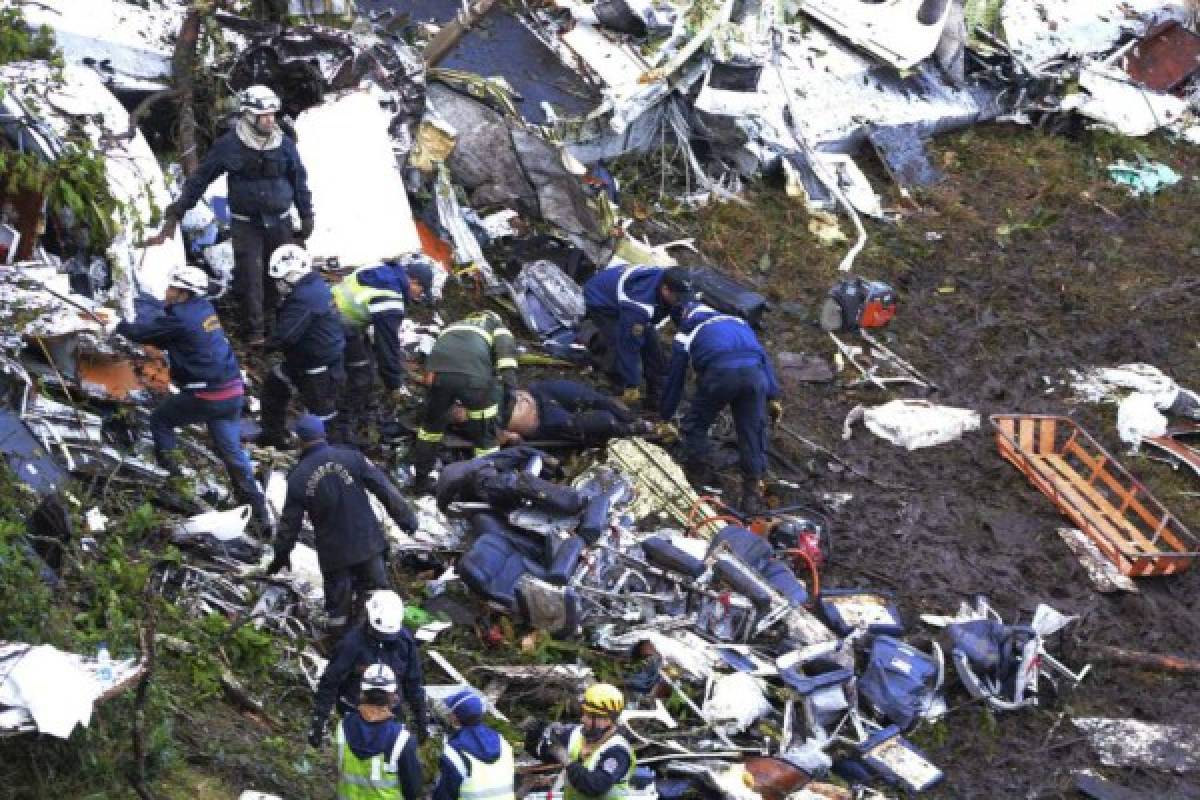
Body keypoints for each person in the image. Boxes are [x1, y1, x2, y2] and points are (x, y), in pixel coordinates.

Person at [144, 85, 313, 344]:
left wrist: (306, 214)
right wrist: (179, 210)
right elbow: (201, 178)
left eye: (272, 114)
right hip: (247, 224)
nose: (269, 120)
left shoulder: (285, 145)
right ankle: (255, 332)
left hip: (280, 221)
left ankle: (276, 325)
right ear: (248, 115)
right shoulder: (230, 145)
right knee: (250, 275)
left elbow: (299, 180)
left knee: (280, 273)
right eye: (263, 115)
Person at [114, 265, 269, 529]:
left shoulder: (180, 319)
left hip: (207, 394)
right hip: (232, 392)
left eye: (171, 287)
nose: (167, 291)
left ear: (181, 292)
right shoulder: (205, 310)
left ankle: (174, 481)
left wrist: (115, 324)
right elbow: (171, 337)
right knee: (232, 453)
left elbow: (142, 333)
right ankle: (259, 513)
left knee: (161, 421)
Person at [266, 415, 417, 633]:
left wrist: (281, 556)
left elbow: (290, 525)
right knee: (379, 598)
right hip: (367, 543)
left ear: (299, 440)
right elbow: (383, 488)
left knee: (338, 614)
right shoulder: (352, 458)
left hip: (334, 555)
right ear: (323, 434)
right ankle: (379, 643)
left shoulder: (298, 478)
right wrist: (406, 518)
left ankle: (340, 648)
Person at [659, 301, 782, 514]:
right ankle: (751, 496)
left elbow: (675, 380)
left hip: (721, 375)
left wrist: (665, 415)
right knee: (752, 432)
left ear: (685, 315)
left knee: (695, 424)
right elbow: (763, 358)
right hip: (755, 377)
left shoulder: (688, 331)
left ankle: (699, 477)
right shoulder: (739, 322)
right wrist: (773, 395)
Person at [310, 590, 430, 753]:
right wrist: (319, 718)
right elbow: (331, 681)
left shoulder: (405, 643)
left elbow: (413, 682)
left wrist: (422, 720)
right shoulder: (351, 644)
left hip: (391, 714)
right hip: (355, 714)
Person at [332, 255, 436, 439]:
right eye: (420, 291)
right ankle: (341, 426)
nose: (418, 297)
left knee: (367, 363)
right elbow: (386, 345)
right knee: (361, 375)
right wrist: (394, 384)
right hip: (338, 325)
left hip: (332, 310)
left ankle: (362, 412)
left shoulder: (382, 268)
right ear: (413, 281)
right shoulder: (391, 297)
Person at [411, 310, 517, 488]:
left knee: (429, 431)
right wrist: (504, 415)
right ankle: (486, 487)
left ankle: (420, 481)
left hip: (439, 377)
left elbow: (431, 360)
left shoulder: (452, 326)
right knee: (485, 439)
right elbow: (508, 372)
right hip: (474, 380)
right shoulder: (498, 329)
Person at [258, 244, 346, 446]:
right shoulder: (312, 286)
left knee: (323, 416)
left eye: (280, 280)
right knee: (274, 387)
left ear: (292, 275)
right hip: (306, 359)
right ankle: (273, 436)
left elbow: (286, 334)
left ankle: (332, 454)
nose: (278, 285)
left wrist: (266, 347)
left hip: (317, 368)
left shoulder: (304, 297)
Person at [582, 263, 692, 409]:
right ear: (665, 290)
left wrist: (689, 333)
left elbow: (678, 309)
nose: (681, 301)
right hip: (601, 302)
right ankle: (617, 386)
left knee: (654, 350)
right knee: (618, 345)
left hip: (626, 298)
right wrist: (632, 383)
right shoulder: (639, 306)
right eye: (679, 297)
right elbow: (628, 345)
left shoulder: (672, 282)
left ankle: (658, 397)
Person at [455, 379, 651, 446]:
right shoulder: (476, 424)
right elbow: (509, 438)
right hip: (543, 419)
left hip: (538, 392)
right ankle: (631, 429)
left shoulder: (473, 384)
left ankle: (633, 419)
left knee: (594, 398)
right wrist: (512, 438)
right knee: (602, 421)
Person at [333, 663, 423, 800]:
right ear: (392, 695)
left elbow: (338, 768)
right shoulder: (402, 739)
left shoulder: (342, 727)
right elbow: (413, 790)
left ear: (362, 693)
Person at [538, 683, 634, 800]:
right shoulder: (575, 734)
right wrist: (538, 734)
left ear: (606, 720)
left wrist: (568, 762)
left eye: (589, 716)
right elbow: (545, 754)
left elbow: (594, 786)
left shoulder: (617, 751)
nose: (582, 719)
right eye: (584, 714)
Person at [432, 688, 515, 800]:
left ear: (455, 717)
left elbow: (444, 794)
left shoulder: (454, 751)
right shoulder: (502, 741)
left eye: (451, 713)